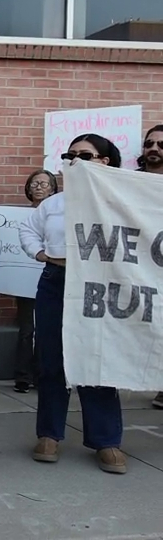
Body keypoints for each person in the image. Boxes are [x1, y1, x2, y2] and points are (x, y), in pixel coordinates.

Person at [19, 133, 127, 475]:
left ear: (104, 162)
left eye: (85, 154)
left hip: (99, 285)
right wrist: (40, 253)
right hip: (56, 282)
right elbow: (27, 230)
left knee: (97, 357)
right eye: (70, 155)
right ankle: (49, 435)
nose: (76, 160)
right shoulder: (53, 204)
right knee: (52, 359)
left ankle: (106, 439)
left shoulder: (120, 201)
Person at [5, 170, 59, 393]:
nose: (39, 187)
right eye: (34, 183)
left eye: (44, 183)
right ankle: (23, 376)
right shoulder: (14, 216)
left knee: (49, 329)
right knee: (27, 329)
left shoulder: (58, 215)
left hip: (52, 278)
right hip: (24, 281)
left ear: (53, 189)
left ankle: (43, 374)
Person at [136, 125, 163, 409]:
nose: (154, 148)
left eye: (160, 144)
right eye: (149, 144)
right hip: (140, 265)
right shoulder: (130, 182)